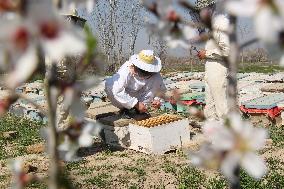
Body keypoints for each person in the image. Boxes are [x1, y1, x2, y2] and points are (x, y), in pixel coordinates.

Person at [105, 50, 166, 120]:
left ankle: (140, 110)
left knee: (155, 81)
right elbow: (117, 90)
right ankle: (126, 109)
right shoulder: (126, 70)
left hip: (141, 97)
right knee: (110, 85)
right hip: (125, 95)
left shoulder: (155, 76)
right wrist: (136, 104)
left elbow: (161, 89)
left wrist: (157, 100)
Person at [198, 14, 230, 121]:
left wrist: (207, 53)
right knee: (210, 107)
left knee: (221, 107)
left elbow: (227, 50)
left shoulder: (222, 23)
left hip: (218, 68)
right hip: (210, 68)